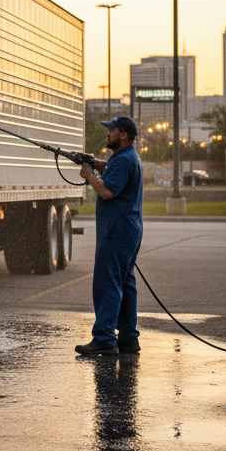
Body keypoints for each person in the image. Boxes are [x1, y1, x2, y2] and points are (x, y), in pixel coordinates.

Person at [75, 115, 144, 356]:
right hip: (128, 229)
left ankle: (104, 338)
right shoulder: (124, 157)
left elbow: (106, 191)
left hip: (116, 231)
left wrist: (89, 176)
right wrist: (94, 162)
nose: (107, 134)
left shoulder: (124, 161)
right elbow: (112, 169)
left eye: (111, 130)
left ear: (123, 134)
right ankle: (128, 338)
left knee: (108, 284)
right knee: (125, 283)